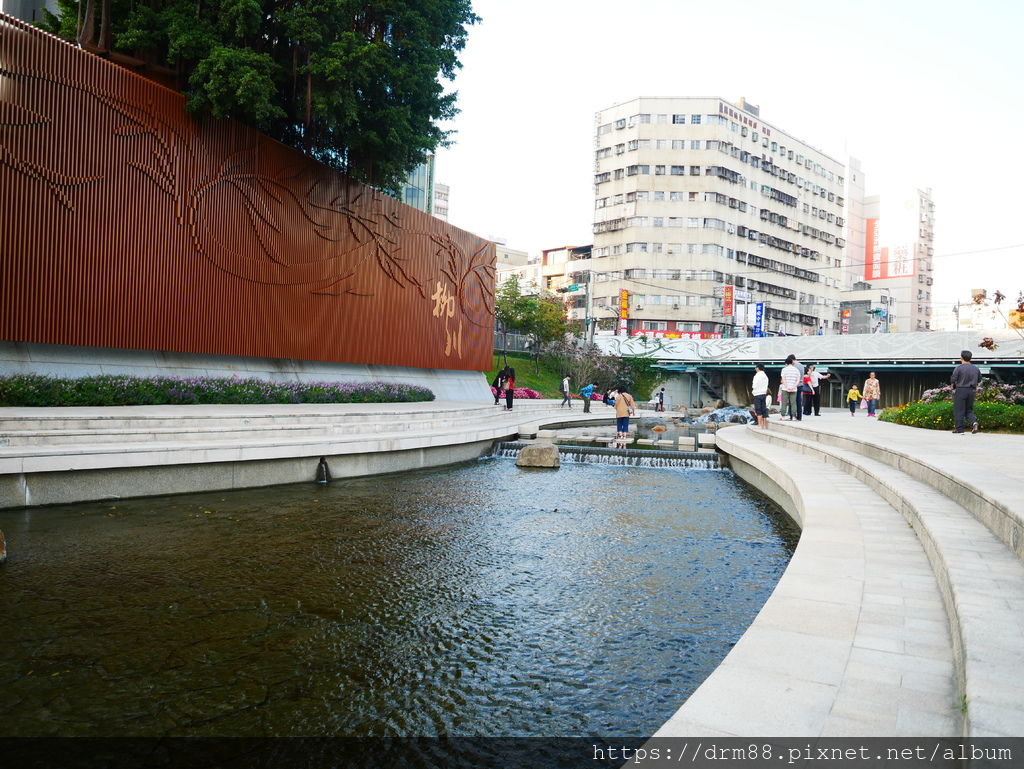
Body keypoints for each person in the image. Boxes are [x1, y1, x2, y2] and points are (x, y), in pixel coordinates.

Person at [950, 350, 981, 434]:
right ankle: (974, 422)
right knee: (969, 410)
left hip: (961, 390)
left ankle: (960, 429)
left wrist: (953, 387)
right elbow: (979, 379)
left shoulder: (959, 368)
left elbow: (953, 379)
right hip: (971, 391)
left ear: (961, 358)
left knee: (959, 410)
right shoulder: (976, 368)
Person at [779, 355, 800, 420]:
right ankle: (793, 417)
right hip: (794, 389)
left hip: (785, 388)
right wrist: (793, 387)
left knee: (784, 402)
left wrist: (787, 387)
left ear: (786, 363)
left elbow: (783, 379)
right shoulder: (796, 370)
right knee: (793, 403)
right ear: (792, 362)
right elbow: (798, 380)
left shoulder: (784, 369)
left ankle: (783, 416)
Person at [751, 363, 769, 429]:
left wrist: (754, 390)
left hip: (757, 394)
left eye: (756, 367)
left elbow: (754, 385)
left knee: (758, 409)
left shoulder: (757, 375)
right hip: (764, 393)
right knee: (763, 409)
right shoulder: (765, 376)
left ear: (758, 368)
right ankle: (764, 425)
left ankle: (760, 425)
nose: (755, 369)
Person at [789, 354, 805, 421]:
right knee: (799, 402)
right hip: (801, 385)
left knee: (792, 402)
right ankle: (799, 417)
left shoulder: (794, 367)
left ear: (792, 360)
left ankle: (792, 416)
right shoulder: (801, 366)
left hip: (794, 385)